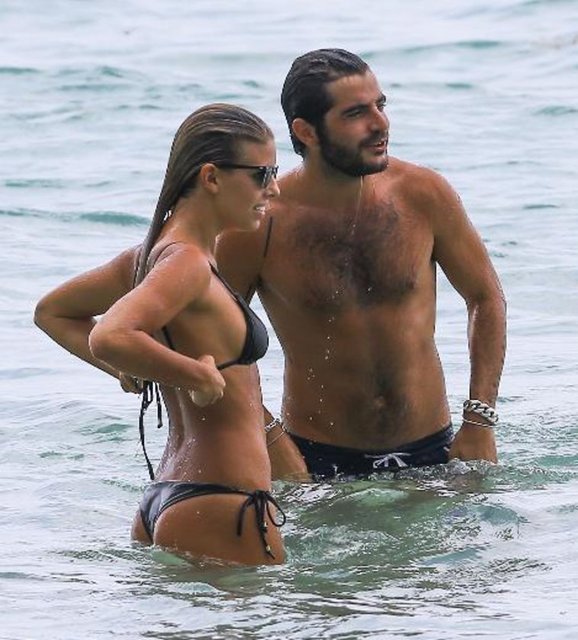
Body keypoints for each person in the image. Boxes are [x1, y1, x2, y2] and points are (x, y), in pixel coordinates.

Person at [216, 49, 507, 481]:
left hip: (437, 452)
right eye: (356, 113)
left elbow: (485, 297)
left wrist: (480, 419)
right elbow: (209, 338)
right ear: (306, 131)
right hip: (313, 461)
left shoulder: (424, 194)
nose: (380, 123)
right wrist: (270, 438)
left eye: (380, 105)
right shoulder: (259, 224)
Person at [34, 103, 286, 565]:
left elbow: (54, 312)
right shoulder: (186, 263)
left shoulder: (148, 256)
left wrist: (133, 368)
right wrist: (194, 375)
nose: (273, 188)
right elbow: (110, 335)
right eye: (261, 174)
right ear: (211, 177)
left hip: (169, 495)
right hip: (222, 502)